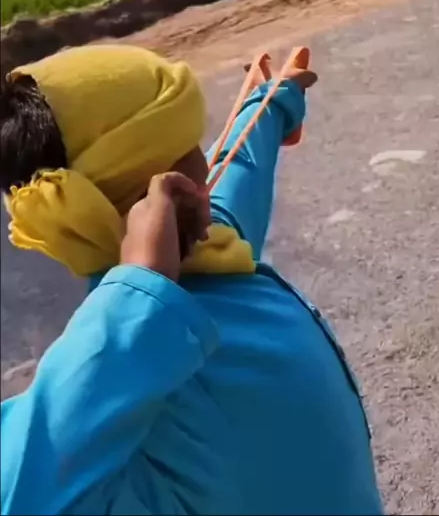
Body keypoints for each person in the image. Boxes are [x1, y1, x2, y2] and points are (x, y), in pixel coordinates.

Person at [0, 45, 383, 516]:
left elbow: (235, 172)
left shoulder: (207, 257)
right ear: (176, 189)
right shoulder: (139, 384)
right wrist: (139, 291)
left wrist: (269, 105)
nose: (207, 160)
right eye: (191, 146)